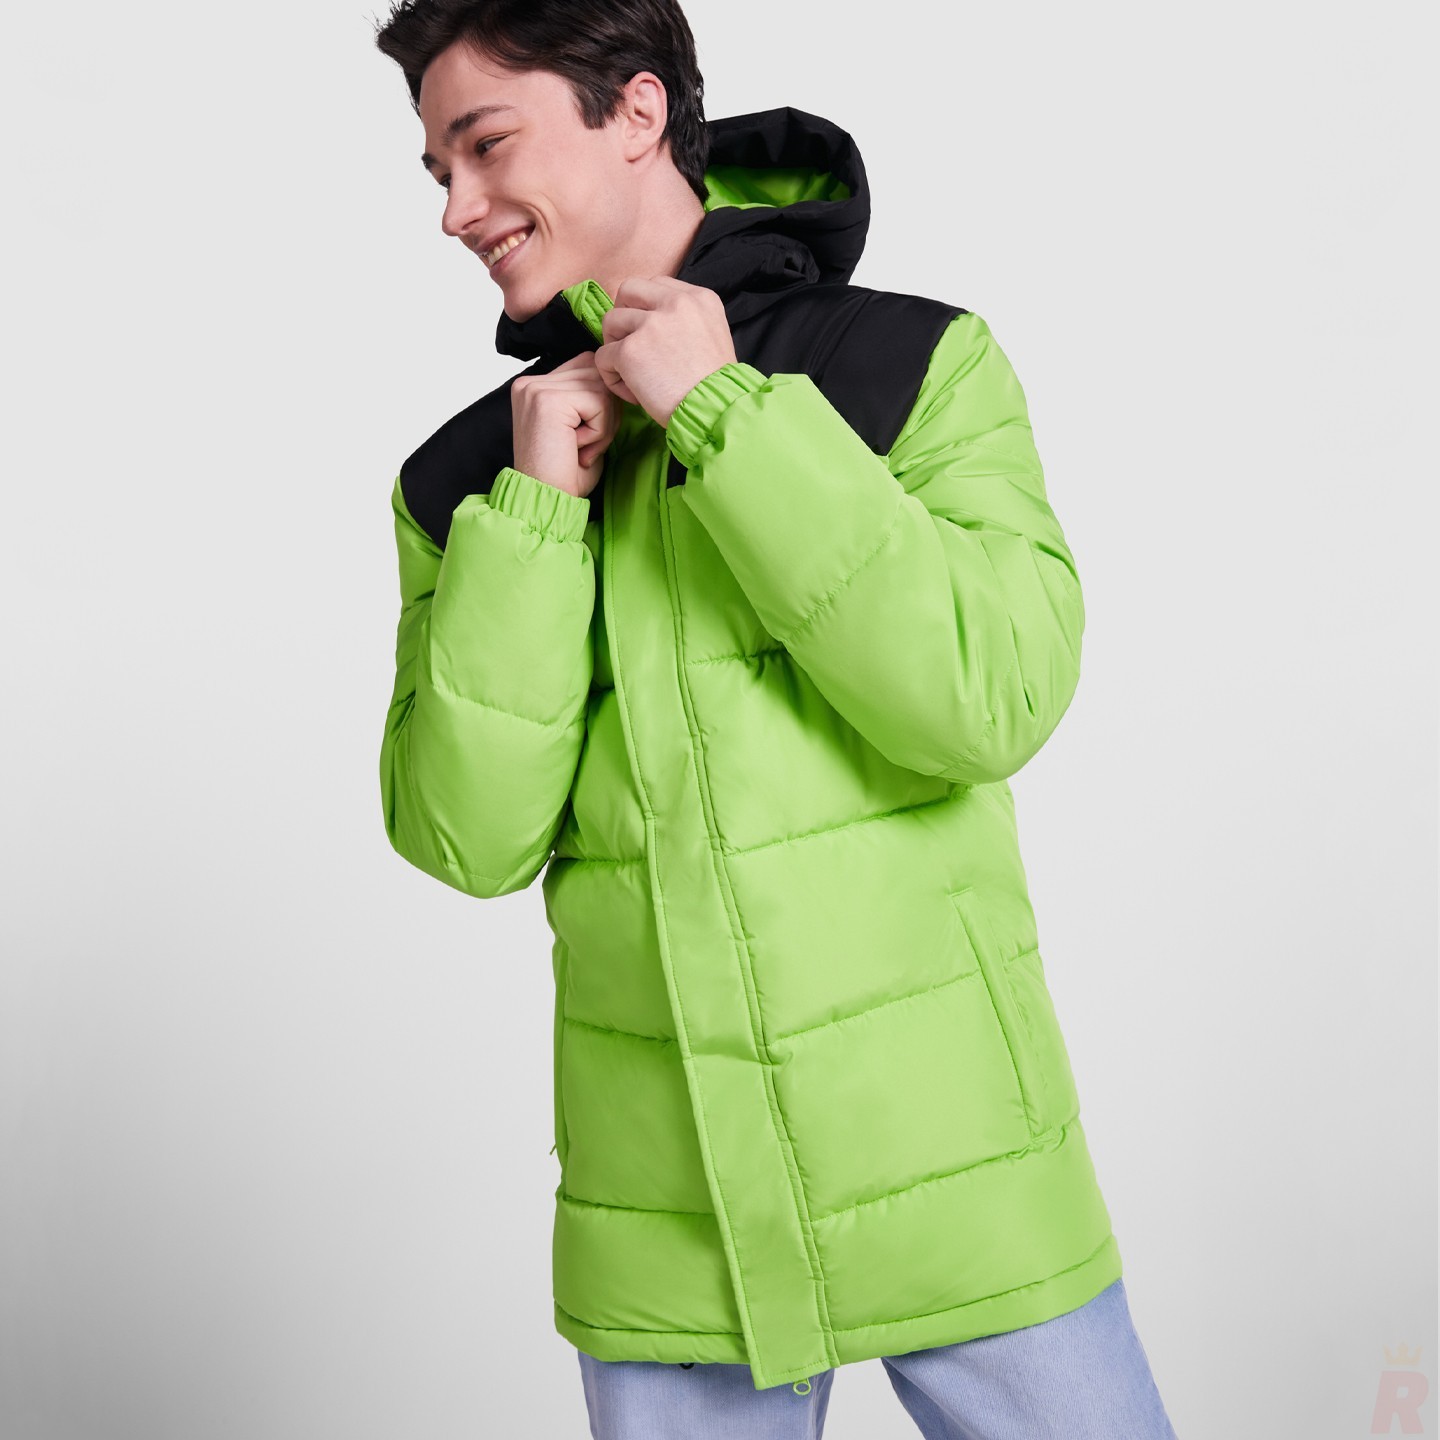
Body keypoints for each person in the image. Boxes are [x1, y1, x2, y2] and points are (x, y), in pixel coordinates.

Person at [372, 1, 1180, 1435]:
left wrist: (731, 418)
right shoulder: (470, 483)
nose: (455, 208)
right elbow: (467, 838)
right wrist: (537, 520)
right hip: (665, 1230)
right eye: (438, 170)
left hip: (965, 1178)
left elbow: (991, 693)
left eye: (485, 146)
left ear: (637, 110)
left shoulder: (911, 364)